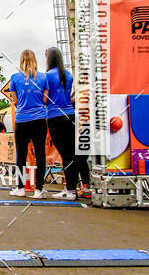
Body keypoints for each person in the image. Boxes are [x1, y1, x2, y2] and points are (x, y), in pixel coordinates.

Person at [45, 46, 90, 200]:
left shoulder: (47, 76)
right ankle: (76, 187)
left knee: (65, 154)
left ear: (49, 58)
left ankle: (70, 189)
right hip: (70, 115)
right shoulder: (68, 75)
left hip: (55, 116)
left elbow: (45, 98)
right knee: (72, 152)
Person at [8, 49, 48, 199]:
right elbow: (45, 100)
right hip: (39, 119)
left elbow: (15, 101)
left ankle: (20, 188)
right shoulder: (43, 77)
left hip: (22, 120)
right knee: (40, 154)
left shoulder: (14, 78)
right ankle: (39, 188)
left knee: (21, 154)